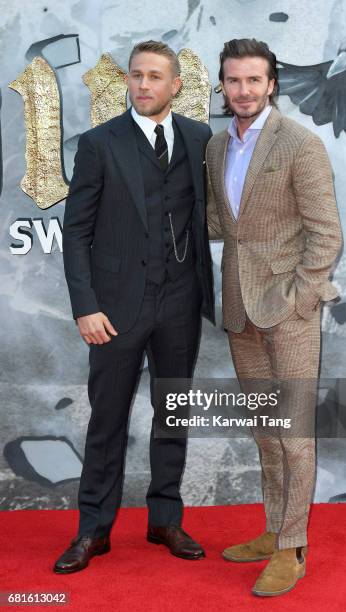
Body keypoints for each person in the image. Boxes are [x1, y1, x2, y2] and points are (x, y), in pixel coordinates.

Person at [55, 40, 214, 573]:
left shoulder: (198, 138)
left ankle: (165, 519)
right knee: (107, 419)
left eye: (154, 77)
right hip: (115, 309)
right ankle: (93, 530)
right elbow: (75, 230)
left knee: (173, 413)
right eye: (136, 75)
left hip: (180, 303)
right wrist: (85, 306)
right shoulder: (100, 143)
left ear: (175, 86)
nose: (143, 85)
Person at [206, 38, 343, 596]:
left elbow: (326, 234)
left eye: (254, 81)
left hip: (287, 313)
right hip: (240, 311)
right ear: (222, 85)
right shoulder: (216, 148)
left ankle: (293, 548)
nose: (243, 91)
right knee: (266, 433)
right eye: (234, 81)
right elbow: (223, 225)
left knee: (293, 436)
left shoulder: (300, 144)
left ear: (272, 85)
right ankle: (272, 530)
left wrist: (299, 300)